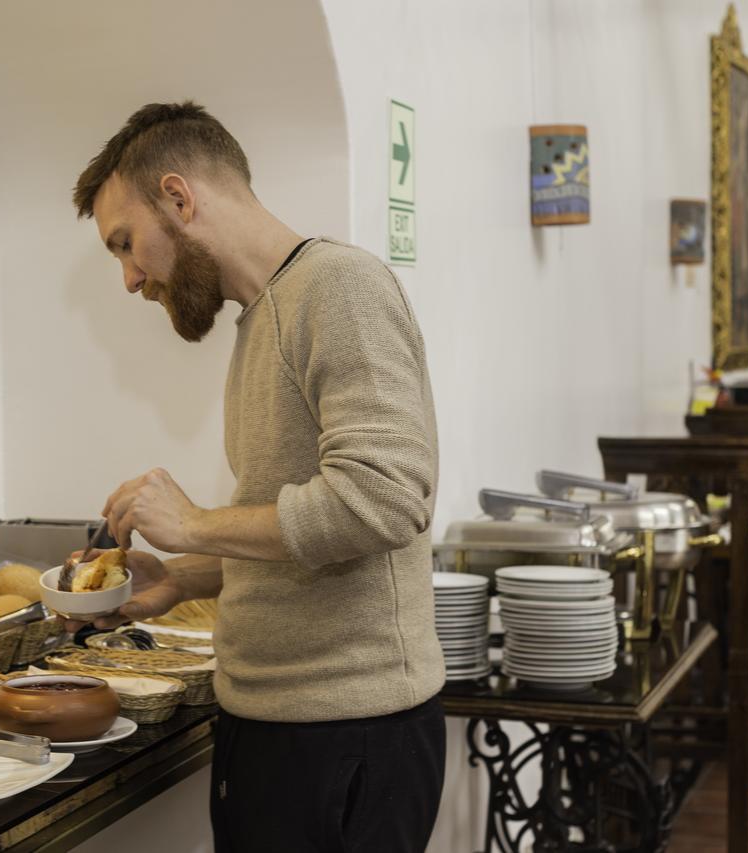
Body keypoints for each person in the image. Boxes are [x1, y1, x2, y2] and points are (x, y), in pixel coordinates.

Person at [69, 101, 446, 852]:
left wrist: (196, 521)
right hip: (276, 729)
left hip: (349, 737)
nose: (129, 277)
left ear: (179, 198)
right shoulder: (263, 316)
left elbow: (384, 498)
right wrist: (183, 575)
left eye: (126, 243)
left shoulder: (338, 288)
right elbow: (298, 527)